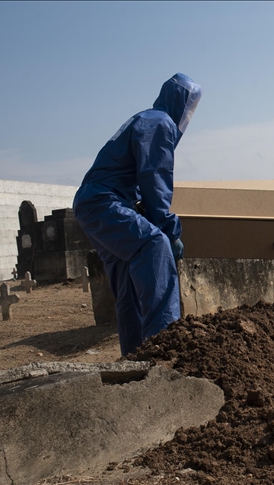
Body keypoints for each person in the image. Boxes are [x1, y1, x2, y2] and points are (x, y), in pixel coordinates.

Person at [73, 73, 202, 355]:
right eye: (190, 107)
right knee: (153, 245)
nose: (189, 115)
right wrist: (170, 231)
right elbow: (154, 180)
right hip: (107, 201)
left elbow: (139, 186)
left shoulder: (145, 119)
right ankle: (163, 349)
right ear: (181, 102)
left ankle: (134, 359)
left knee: (128, 281)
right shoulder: (160, 123)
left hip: (92, 204)